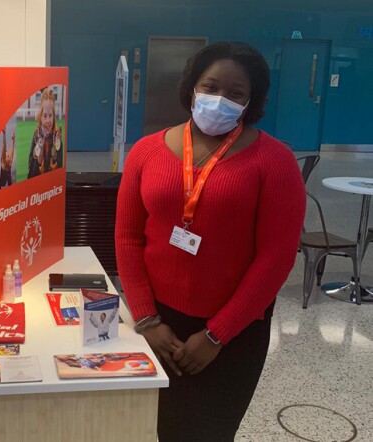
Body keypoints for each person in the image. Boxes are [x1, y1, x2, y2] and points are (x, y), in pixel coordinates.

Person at [115, 41, 306, 441]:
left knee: (207, 433)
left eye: (235, 93)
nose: (219, 100)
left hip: (232, 335)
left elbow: (276, 258)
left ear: (251, 100)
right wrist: (147, 319)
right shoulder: (145, 152)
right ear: (192, 88)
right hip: (157, 324)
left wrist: (218, 334)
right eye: (210, 86)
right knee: (146, 428)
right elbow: (128, 238)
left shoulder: (275, 161)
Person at [27, 89, 62, 178]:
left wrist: (54, 159)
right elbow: (31, 169)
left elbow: (59, 171)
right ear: (40, 116)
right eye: (45, 115)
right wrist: (40, 150)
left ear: (54, 116)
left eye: (50, 116)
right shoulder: (36, 135)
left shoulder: (57, 138)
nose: (47, 121)